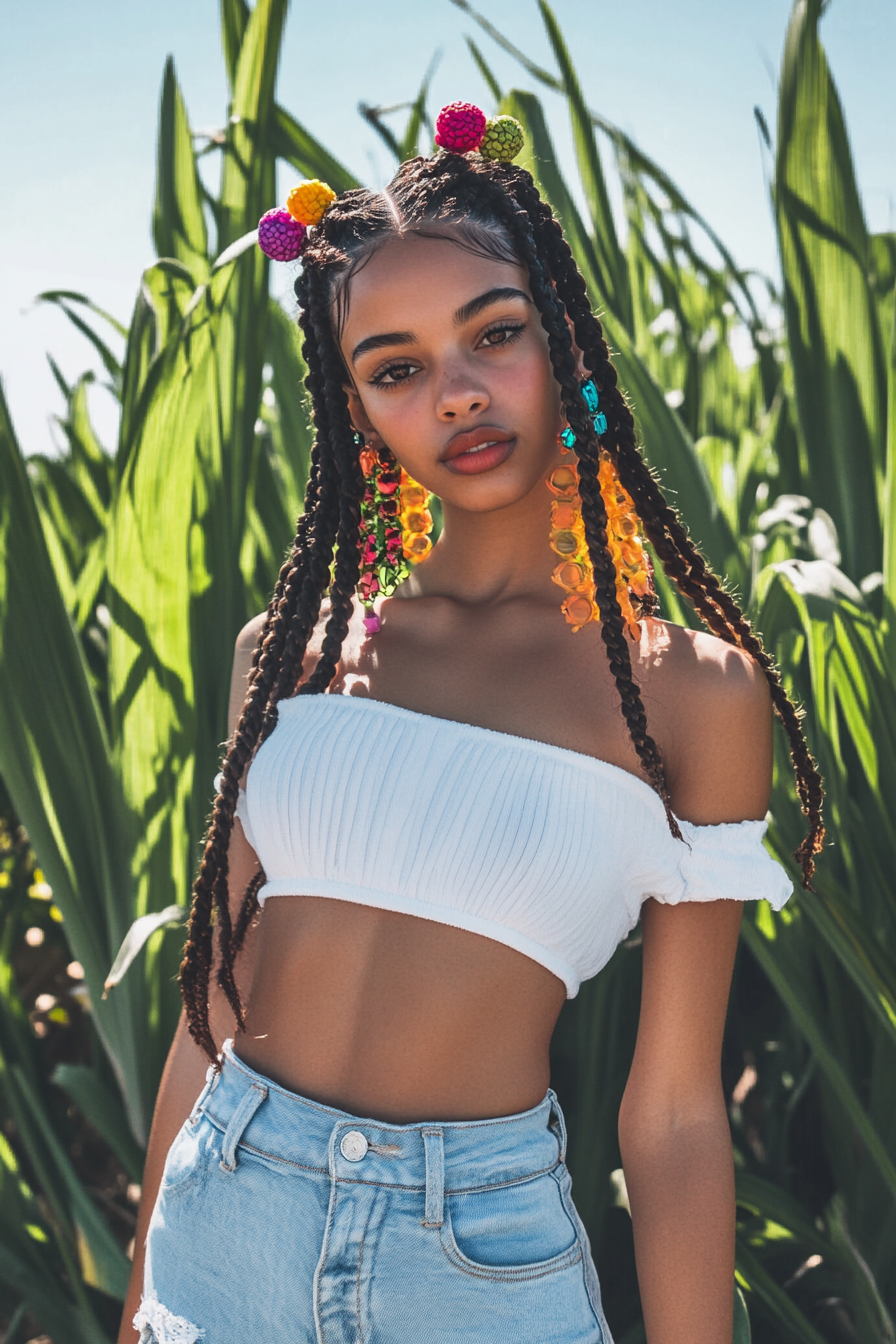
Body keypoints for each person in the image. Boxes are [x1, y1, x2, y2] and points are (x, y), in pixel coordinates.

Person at [119, 104, 823, 1344]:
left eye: (491, 334)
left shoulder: (692, 696)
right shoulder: (287, 653)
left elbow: (668, 1109)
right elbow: (210, 1006)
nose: (452, 393)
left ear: (562, 341)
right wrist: (137, 1298)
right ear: (357, 413)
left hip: (476, 1255)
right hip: (220, 1223)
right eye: (394, 368)